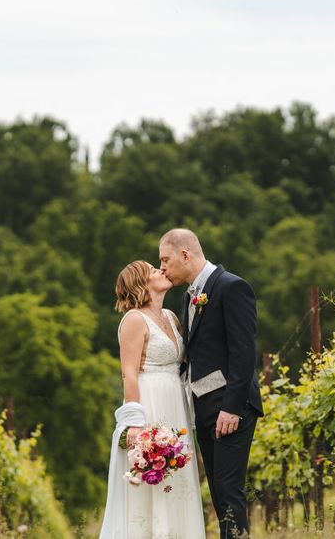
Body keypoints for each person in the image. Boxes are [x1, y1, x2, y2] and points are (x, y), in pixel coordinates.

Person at [158, 229, 263, 539]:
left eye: (166, 259)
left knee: (230, 491)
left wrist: (231, 408)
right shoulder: (188, 295)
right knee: (218, 492)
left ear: (185, 255)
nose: (163, 267)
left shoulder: (232, 287)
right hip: (205, 410)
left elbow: (243, 353)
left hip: (232, 410)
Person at [99, 261, 206, 539]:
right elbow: (129, 373)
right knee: (151, 485)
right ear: (140, 283)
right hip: (149, 404)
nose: (160, 270)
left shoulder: (171, 317)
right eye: (152, 270)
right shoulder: (134, 319)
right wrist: (134, 423)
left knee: (176, 481)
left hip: (175, 402)